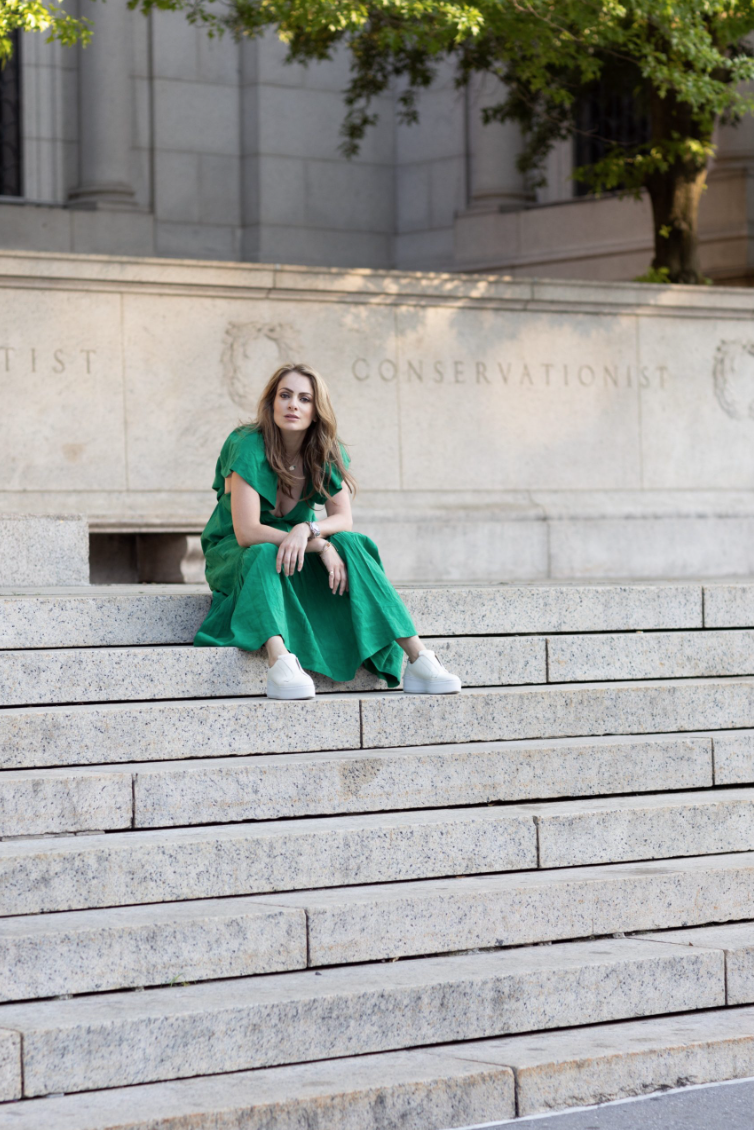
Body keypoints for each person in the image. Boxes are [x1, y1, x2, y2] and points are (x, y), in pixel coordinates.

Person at [194, 362, 462, 700]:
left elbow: (343, 519)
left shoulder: (326, 451)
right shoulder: (246, 444)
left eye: (304, 399)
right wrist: (319, 546)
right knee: (262, 551)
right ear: (271, 403)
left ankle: (420, 658)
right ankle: (281, 664)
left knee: (351, 542)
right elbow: (247, 532)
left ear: (316, 410)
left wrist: (308, 529)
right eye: (285, 395)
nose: (293, 404)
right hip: (236, 552)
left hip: (293, 551)